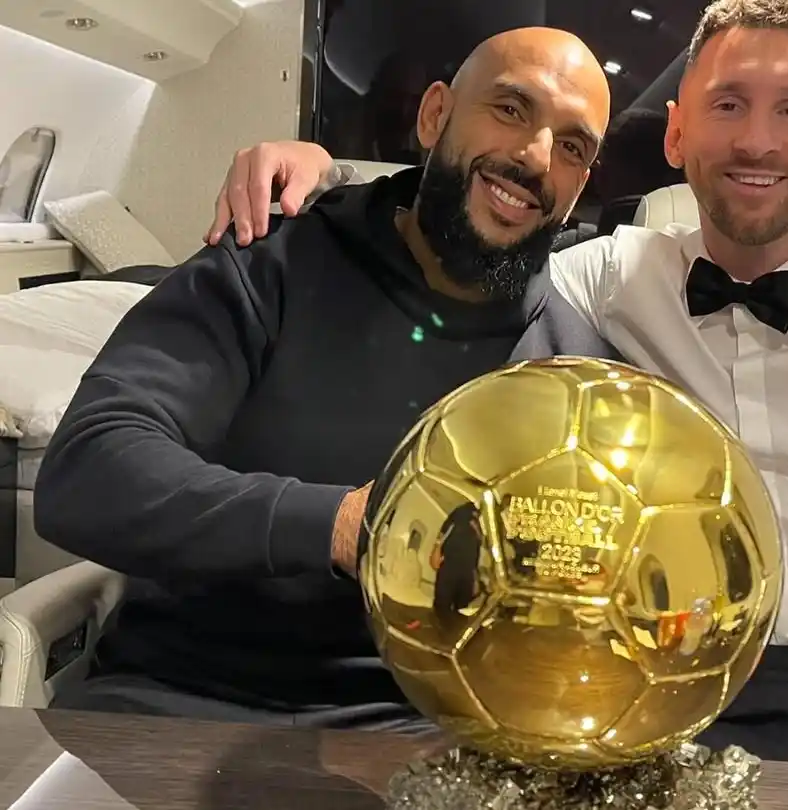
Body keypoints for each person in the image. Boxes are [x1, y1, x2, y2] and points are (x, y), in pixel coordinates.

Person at [203, 0, 788, 785]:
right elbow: (468, 230)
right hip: (664, 701)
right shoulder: (604, 278)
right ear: (676, 136)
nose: (758, 142)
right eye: (728, 105)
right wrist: (322, 179)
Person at [33, 26, 615, 728]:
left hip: (440, 741)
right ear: (435, 117)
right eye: (512, 109)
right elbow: (87, 472)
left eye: (573, 147)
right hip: (181, 703)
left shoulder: (579, 364)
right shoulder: (267, 265)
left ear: (580, 187)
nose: (535, 156)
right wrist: (341, 526)